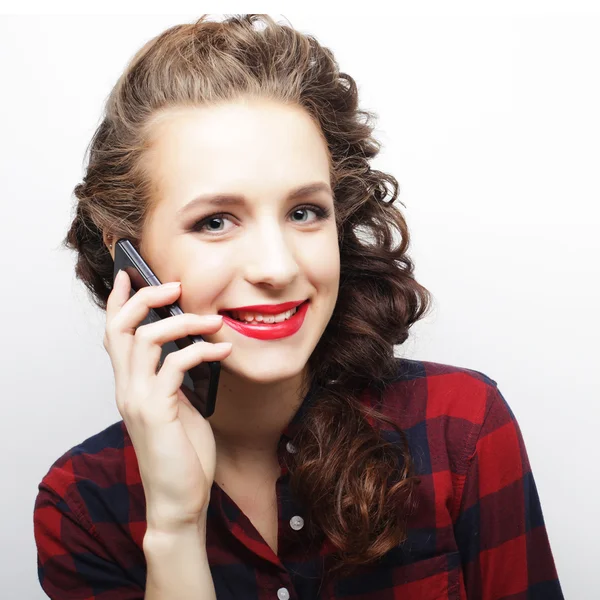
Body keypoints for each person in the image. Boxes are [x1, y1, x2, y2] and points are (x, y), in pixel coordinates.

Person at [33, 14, 564, 599]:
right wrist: (176, 530)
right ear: (128, 255)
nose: (279, 266)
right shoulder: (82, 504)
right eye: (215, 222)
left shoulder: (462, 428)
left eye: (304, 212)